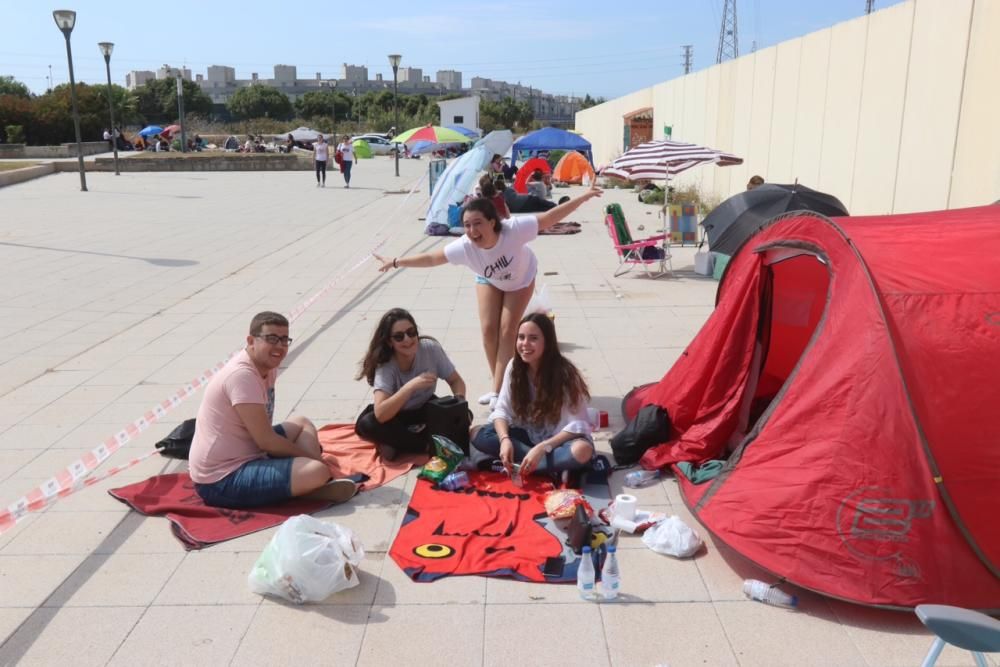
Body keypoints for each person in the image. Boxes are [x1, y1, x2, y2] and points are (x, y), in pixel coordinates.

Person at [374, 184, 603, 408]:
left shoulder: (513, 229)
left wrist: (583, 197)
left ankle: (500, 390)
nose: (472, 231)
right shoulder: (465, 246)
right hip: (488, 279)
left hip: (520, 279)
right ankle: (501, 387)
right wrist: (396, 262)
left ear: (493, 222)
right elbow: (433, 258)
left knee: (507, 330)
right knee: (488, 329)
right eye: (466, 225)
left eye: (478, 224)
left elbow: (549, 218)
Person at [188, 311, 358, 509]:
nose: (279, 346)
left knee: (302, 423)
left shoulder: (267, 366)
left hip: (249, 450)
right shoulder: (241, 376)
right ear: (251, 341)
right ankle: (312, 483)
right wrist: (309, 459)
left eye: (284, 340)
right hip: (220, 480)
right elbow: (266, 441)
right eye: (272, 339)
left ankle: (307, 484)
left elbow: (264, 436)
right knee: (316, 470)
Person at [471, 312, 593, 478]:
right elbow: (501, 410)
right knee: (477, 433)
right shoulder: (514, 366)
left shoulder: (565, 373)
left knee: (582, 451)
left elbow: (578, 425)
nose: (525, 344)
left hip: (558, 442)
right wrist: (504, 440)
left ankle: (525, 464)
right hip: (526, 437)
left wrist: (543, 448)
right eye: (521, 337)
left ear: (547, 342)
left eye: (533, 338)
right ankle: (545, 467)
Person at [355, 308, 467, 461]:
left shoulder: (430, 348)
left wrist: (458, 403)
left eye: (411, 332)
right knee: (368, 424)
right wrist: (410, 386)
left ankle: (399, 443)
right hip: (395, 416)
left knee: (465, 415)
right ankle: (425, 445)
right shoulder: (386, 365)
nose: (407, 339)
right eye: (399, 337)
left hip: (424, 408)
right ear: (389, 342)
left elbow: (456, 381)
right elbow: (381, 414)